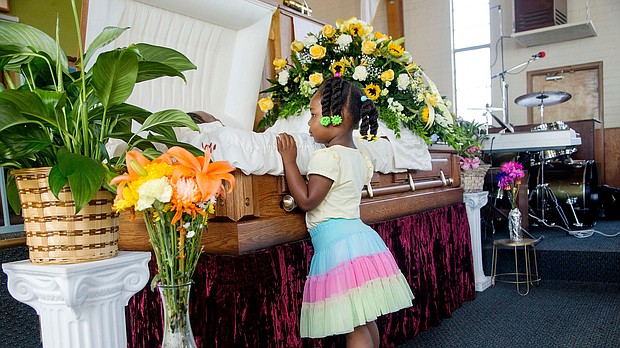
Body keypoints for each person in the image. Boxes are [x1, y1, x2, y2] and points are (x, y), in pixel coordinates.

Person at [276, 77, 414, 347]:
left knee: (354, 324)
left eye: (314, 115)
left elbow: (306, 200)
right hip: (358, 239)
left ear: (335, 118)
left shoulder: (327, 157)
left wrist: (289, 161)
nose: (309, 123)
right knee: (364, 318)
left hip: (339, 247)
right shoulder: (358, 156)